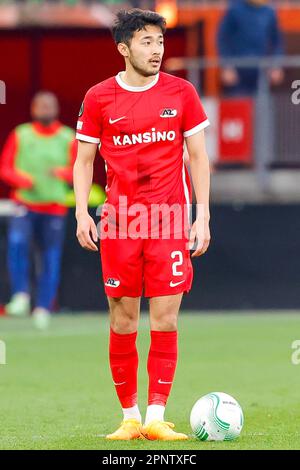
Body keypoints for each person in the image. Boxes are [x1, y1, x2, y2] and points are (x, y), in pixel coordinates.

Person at [74, 9, 210, 440]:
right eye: (147, 43)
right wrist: (81, 211)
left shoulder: (182, 92)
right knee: (123, 319)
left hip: (169, 218)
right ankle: (129, 415)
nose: (156, 51)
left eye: (160, 43)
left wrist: (202, 213)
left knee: (166, 319)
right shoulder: (98, 97)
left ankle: (156, 416)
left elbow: (198, 157)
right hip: (120, 222)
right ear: (124, 48)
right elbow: (84, 160)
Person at [0, 91, 76, 330]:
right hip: (25, 203)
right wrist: (22, 180)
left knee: (50, 257)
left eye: (48, 106)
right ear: (33, 109)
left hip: (53, 206)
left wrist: (62, 174)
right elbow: (5, 167)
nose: (44, 110)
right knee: (17, 244)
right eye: (40, 106)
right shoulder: (21, 135)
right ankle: (21, 295)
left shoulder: (67, 137)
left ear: (55, 109)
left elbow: (79, 170)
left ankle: (43, 306)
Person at [217, 0, 284, 95]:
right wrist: (227, 66)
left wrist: (276, 65)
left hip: (261, 71)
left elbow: (277, 42)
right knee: (239, 106)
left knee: (262, 107)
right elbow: (223, 39)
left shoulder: (269, 12)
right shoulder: (234, 10)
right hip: (238, 72)